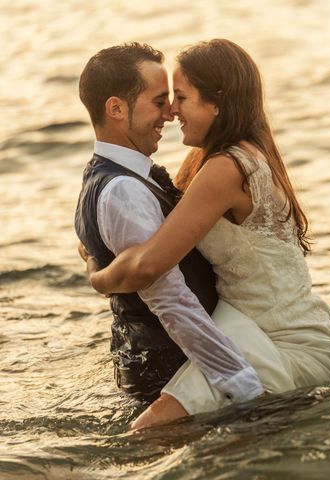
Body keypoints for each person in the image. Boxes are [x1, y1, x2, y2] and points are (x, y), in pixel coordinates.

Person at [85, 39, 330, 429]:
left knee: (148, 429)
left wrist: (97, 274)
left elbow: (148, 266)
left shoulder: (226, 168)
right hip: (257, 323)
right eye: (165, 99)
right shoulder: (226, 157)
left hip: (274, 339)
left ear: (217, 102)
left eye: (180, 97)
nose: (170, 110)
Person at [74, 43, 264, 427]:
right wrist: (245, 388)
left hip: (162, 363)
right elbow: (172, 301)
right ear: (116, 108)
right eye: (159, 101)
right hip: (172, 371)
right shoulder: (123, 190)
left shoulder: (109, 178)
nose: (170, 113)